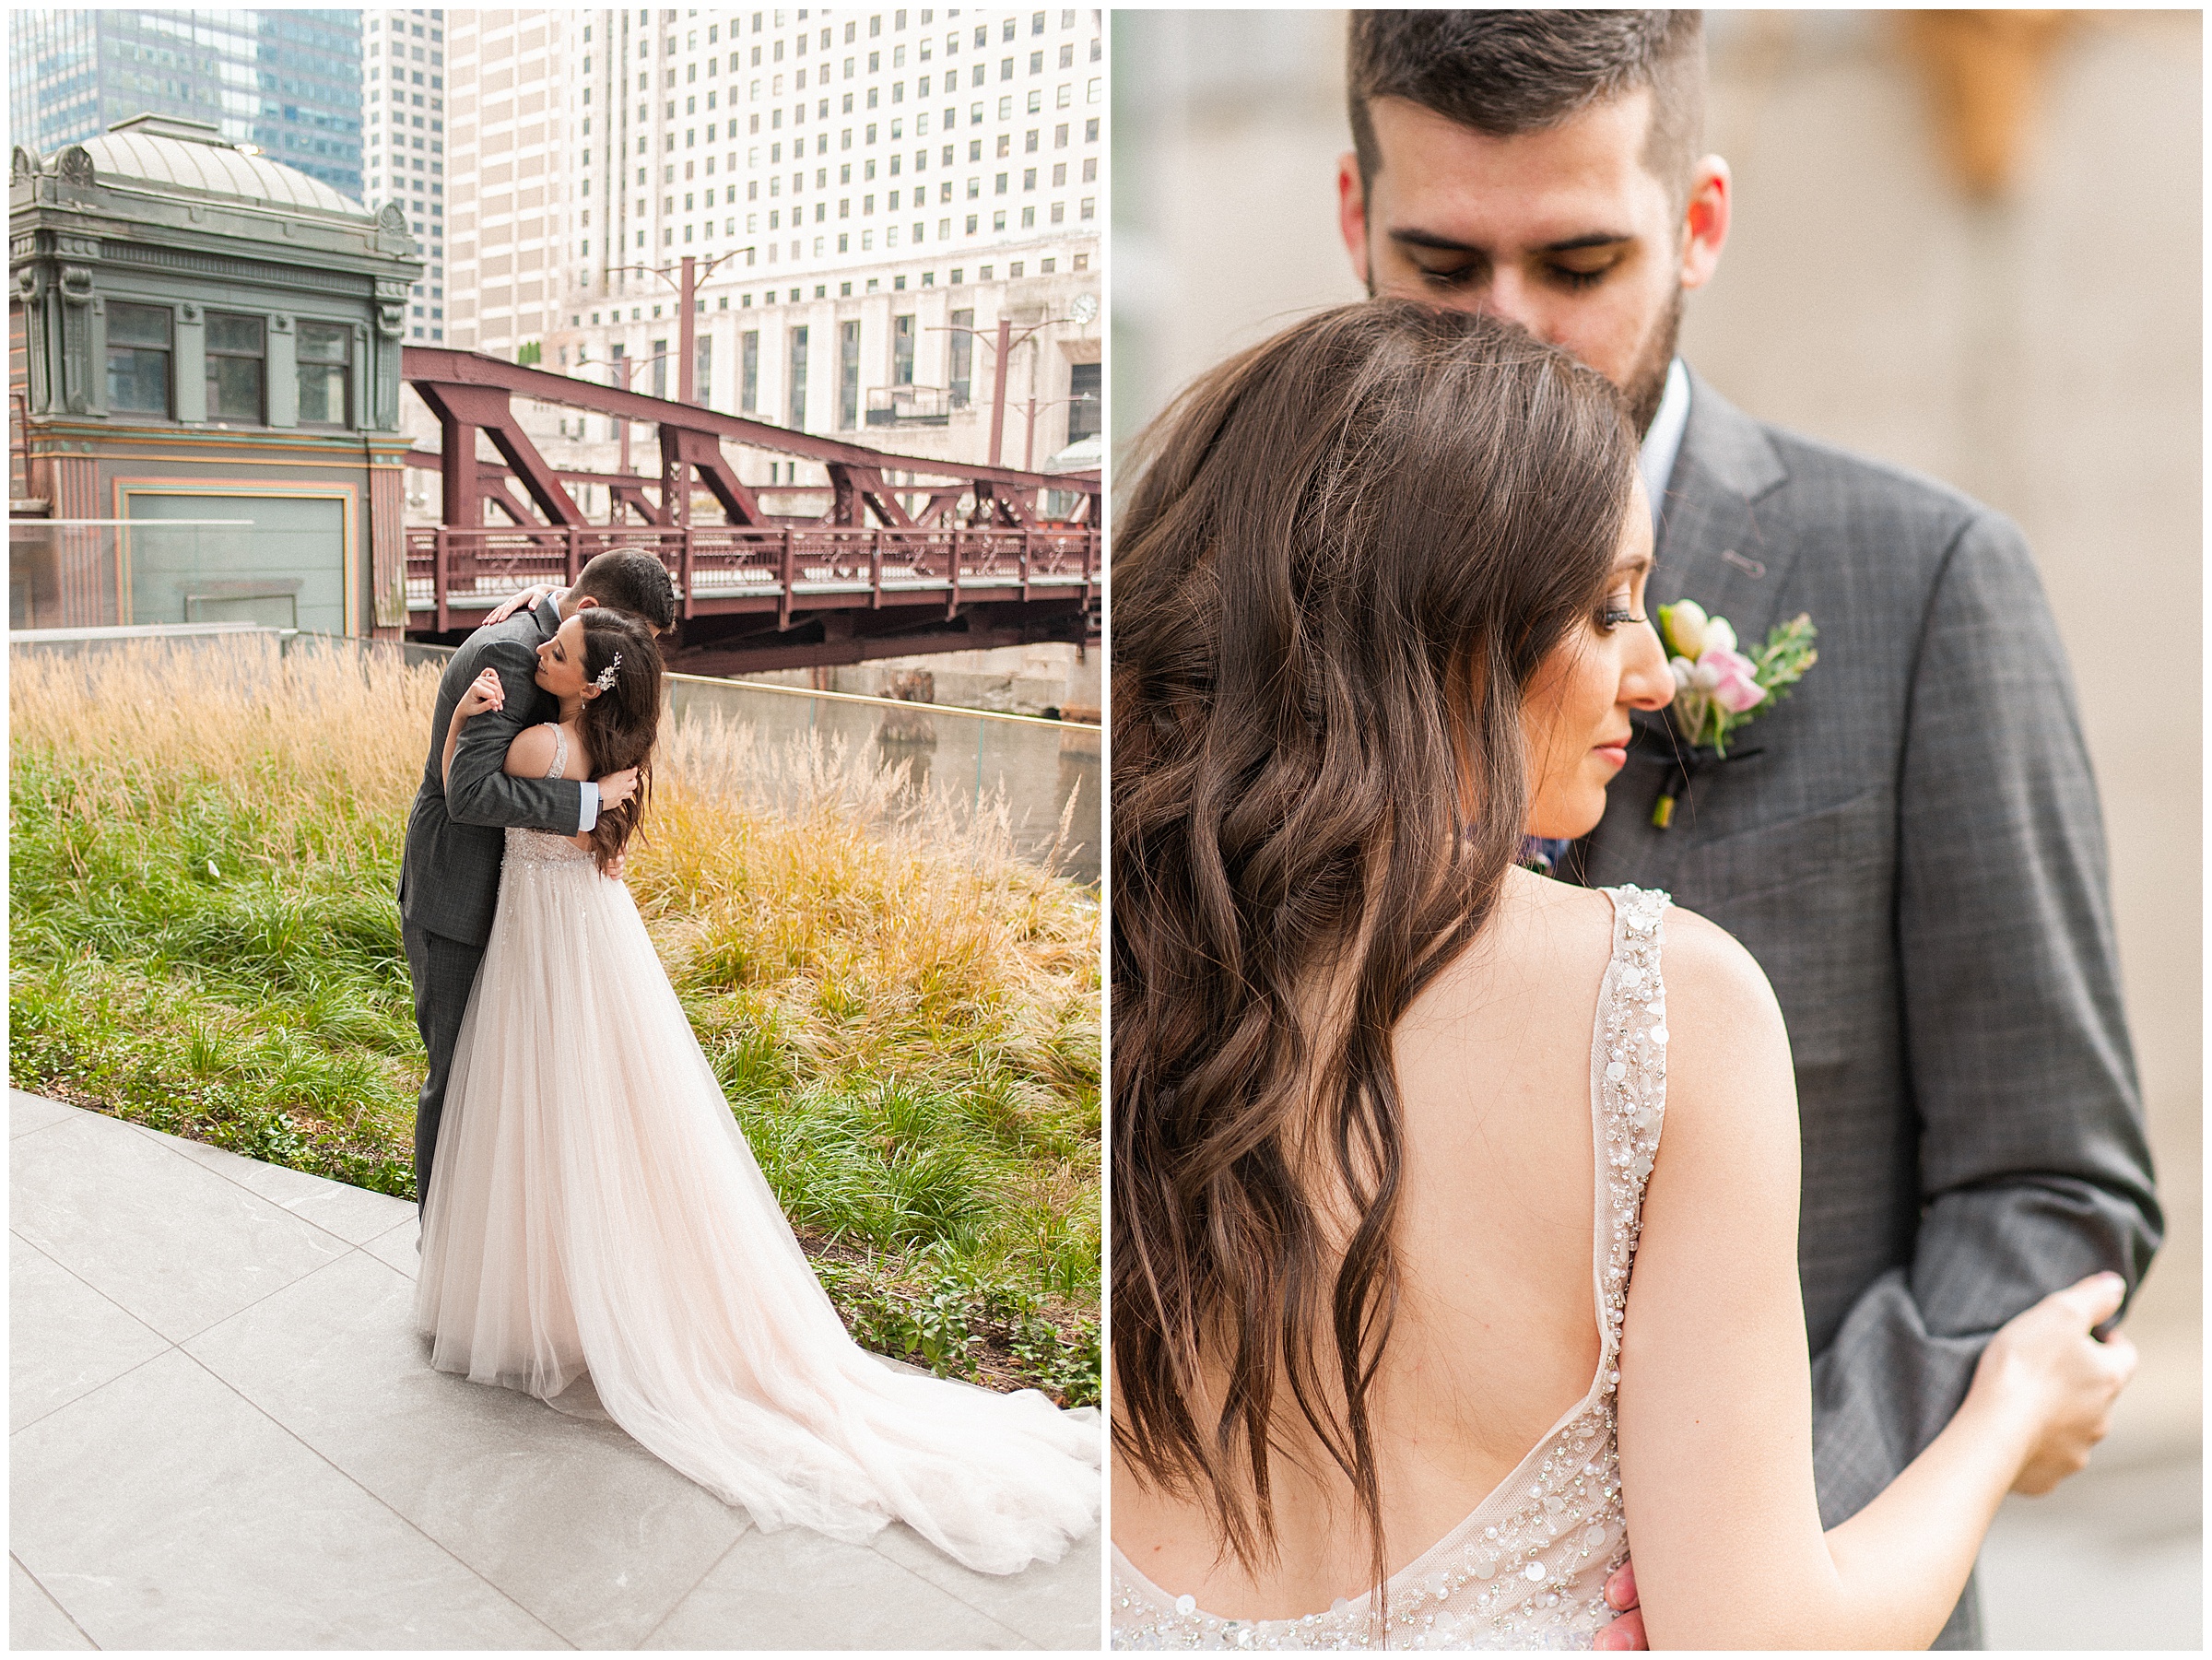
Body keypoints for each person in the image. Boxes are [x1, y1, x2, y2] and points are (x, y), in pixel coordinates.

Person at [1107, 300, 2135, 1648]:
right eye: (1604, 609)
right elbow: (1761, 1639)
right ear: (1450, 632)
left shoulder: (1132, 979)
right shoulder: (1664, 1009)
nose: (1651, 675)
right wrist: (2003, 1417)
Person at [1331, 13, 2159, 1646]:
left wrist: (1747, 1537)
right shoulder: (1257, 617)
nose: (1512, 336)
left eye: (1578, 265)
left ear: (1698, 222)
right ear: (1353, 223)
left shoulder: (1926, 586)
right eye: (1444, 264)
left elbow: (2050, 1183)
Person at [413, 602, 1101, 1574]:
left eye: (560, 652)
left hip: (543, 948)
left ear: (590, 682)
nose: (543, 654)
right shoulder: (612, 768)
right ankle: (584, 1292)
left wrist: (455, 725)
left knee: (541, 1111)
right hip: (593, 936)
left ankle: (548, 1298)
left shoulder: (533, 745)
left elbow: (459, 789)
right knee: (603, 1113)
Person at [398, 548, 678, 1208]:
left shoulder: (565, 640)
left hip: (533, 906)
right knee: (460, 1080)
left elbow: (601, 747)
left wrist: (604, 833)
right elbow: (465, 794)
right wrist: (590, 807)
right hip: (460, 896)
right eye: (629, 637)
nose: (630, 656)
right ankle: (441, 1243)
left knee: (518, 1087)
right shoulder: (516, 658)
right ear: (588, 612)